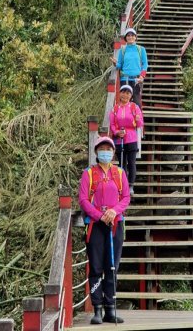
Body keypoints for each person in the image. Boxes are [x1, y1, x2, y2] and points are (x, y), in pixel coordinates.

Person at [79, 136, 130, 325]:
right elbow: (83, 199)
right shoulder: (89, 173)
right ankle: (97, 309)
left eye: (109, 148)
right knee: (96, 267)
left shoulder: (120, 172)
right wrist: (100, 215)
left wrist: (114, 212)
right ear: (96, 152)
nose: (106, 152)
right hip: (95, 224)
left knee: (112, 267)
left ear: (114, 152)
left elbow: (125, 197)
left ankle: (110, 308)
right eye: (102, 149)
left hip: (115, 224)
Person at [109, 84, 144, 195]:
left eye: (128, 93)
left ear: (131, 95)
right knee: (122, 164)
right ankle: (122, 185)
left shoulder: (134, 107)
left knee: (131, 163)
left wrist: (138, 119)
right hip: (119, 139)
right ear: (120, 94)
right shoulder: (115, 108)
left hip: (132, 138)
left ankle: (131, 185)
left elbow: (140, 123)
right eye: (123, 92)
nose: (125, 95)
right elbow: (112, 124)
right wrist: (116, 132)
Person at [112, 28, 148, 108]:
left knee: (137, 104)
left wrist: (142, 76)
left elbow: (145, 64)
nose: (130, 37)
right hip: (125, 80)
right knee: (124, 103)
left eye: (132, 35)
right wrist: (116, 64)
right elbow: (120, 65)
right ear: (125, 38)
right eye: (128, 35)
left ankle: (137, 120)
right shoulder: (123, 50)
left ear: (135, 37)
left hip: (136, 80)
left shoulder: (141, 49)